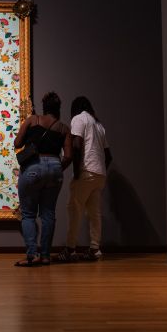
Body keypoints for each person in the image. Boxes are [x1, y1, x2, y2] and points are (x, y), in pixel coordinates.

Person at [13, 92, 72, 267]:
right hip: (55, 166)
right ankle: (45, 255)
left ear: (43, 107)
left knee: (29, 214)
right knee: (48, 214)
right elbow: (68, 156)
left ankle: (32, 255)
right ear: (58, 110)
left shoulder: (32, 120)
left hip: (33, 167)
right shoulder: (63, 128)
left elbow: (17, 143)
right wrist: (55, 169)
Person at [60, 96, 112, 262]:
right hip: (99, 174)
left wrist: (76, 172)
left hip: (86, 170)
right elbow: (109, 156)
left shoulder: (79, 119)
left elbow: (76, 145)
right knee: (94, 213)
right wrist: (100, 169)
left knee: (74, 209)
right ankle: (94, 249)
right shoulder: (99, 125)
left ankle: (70, 249)